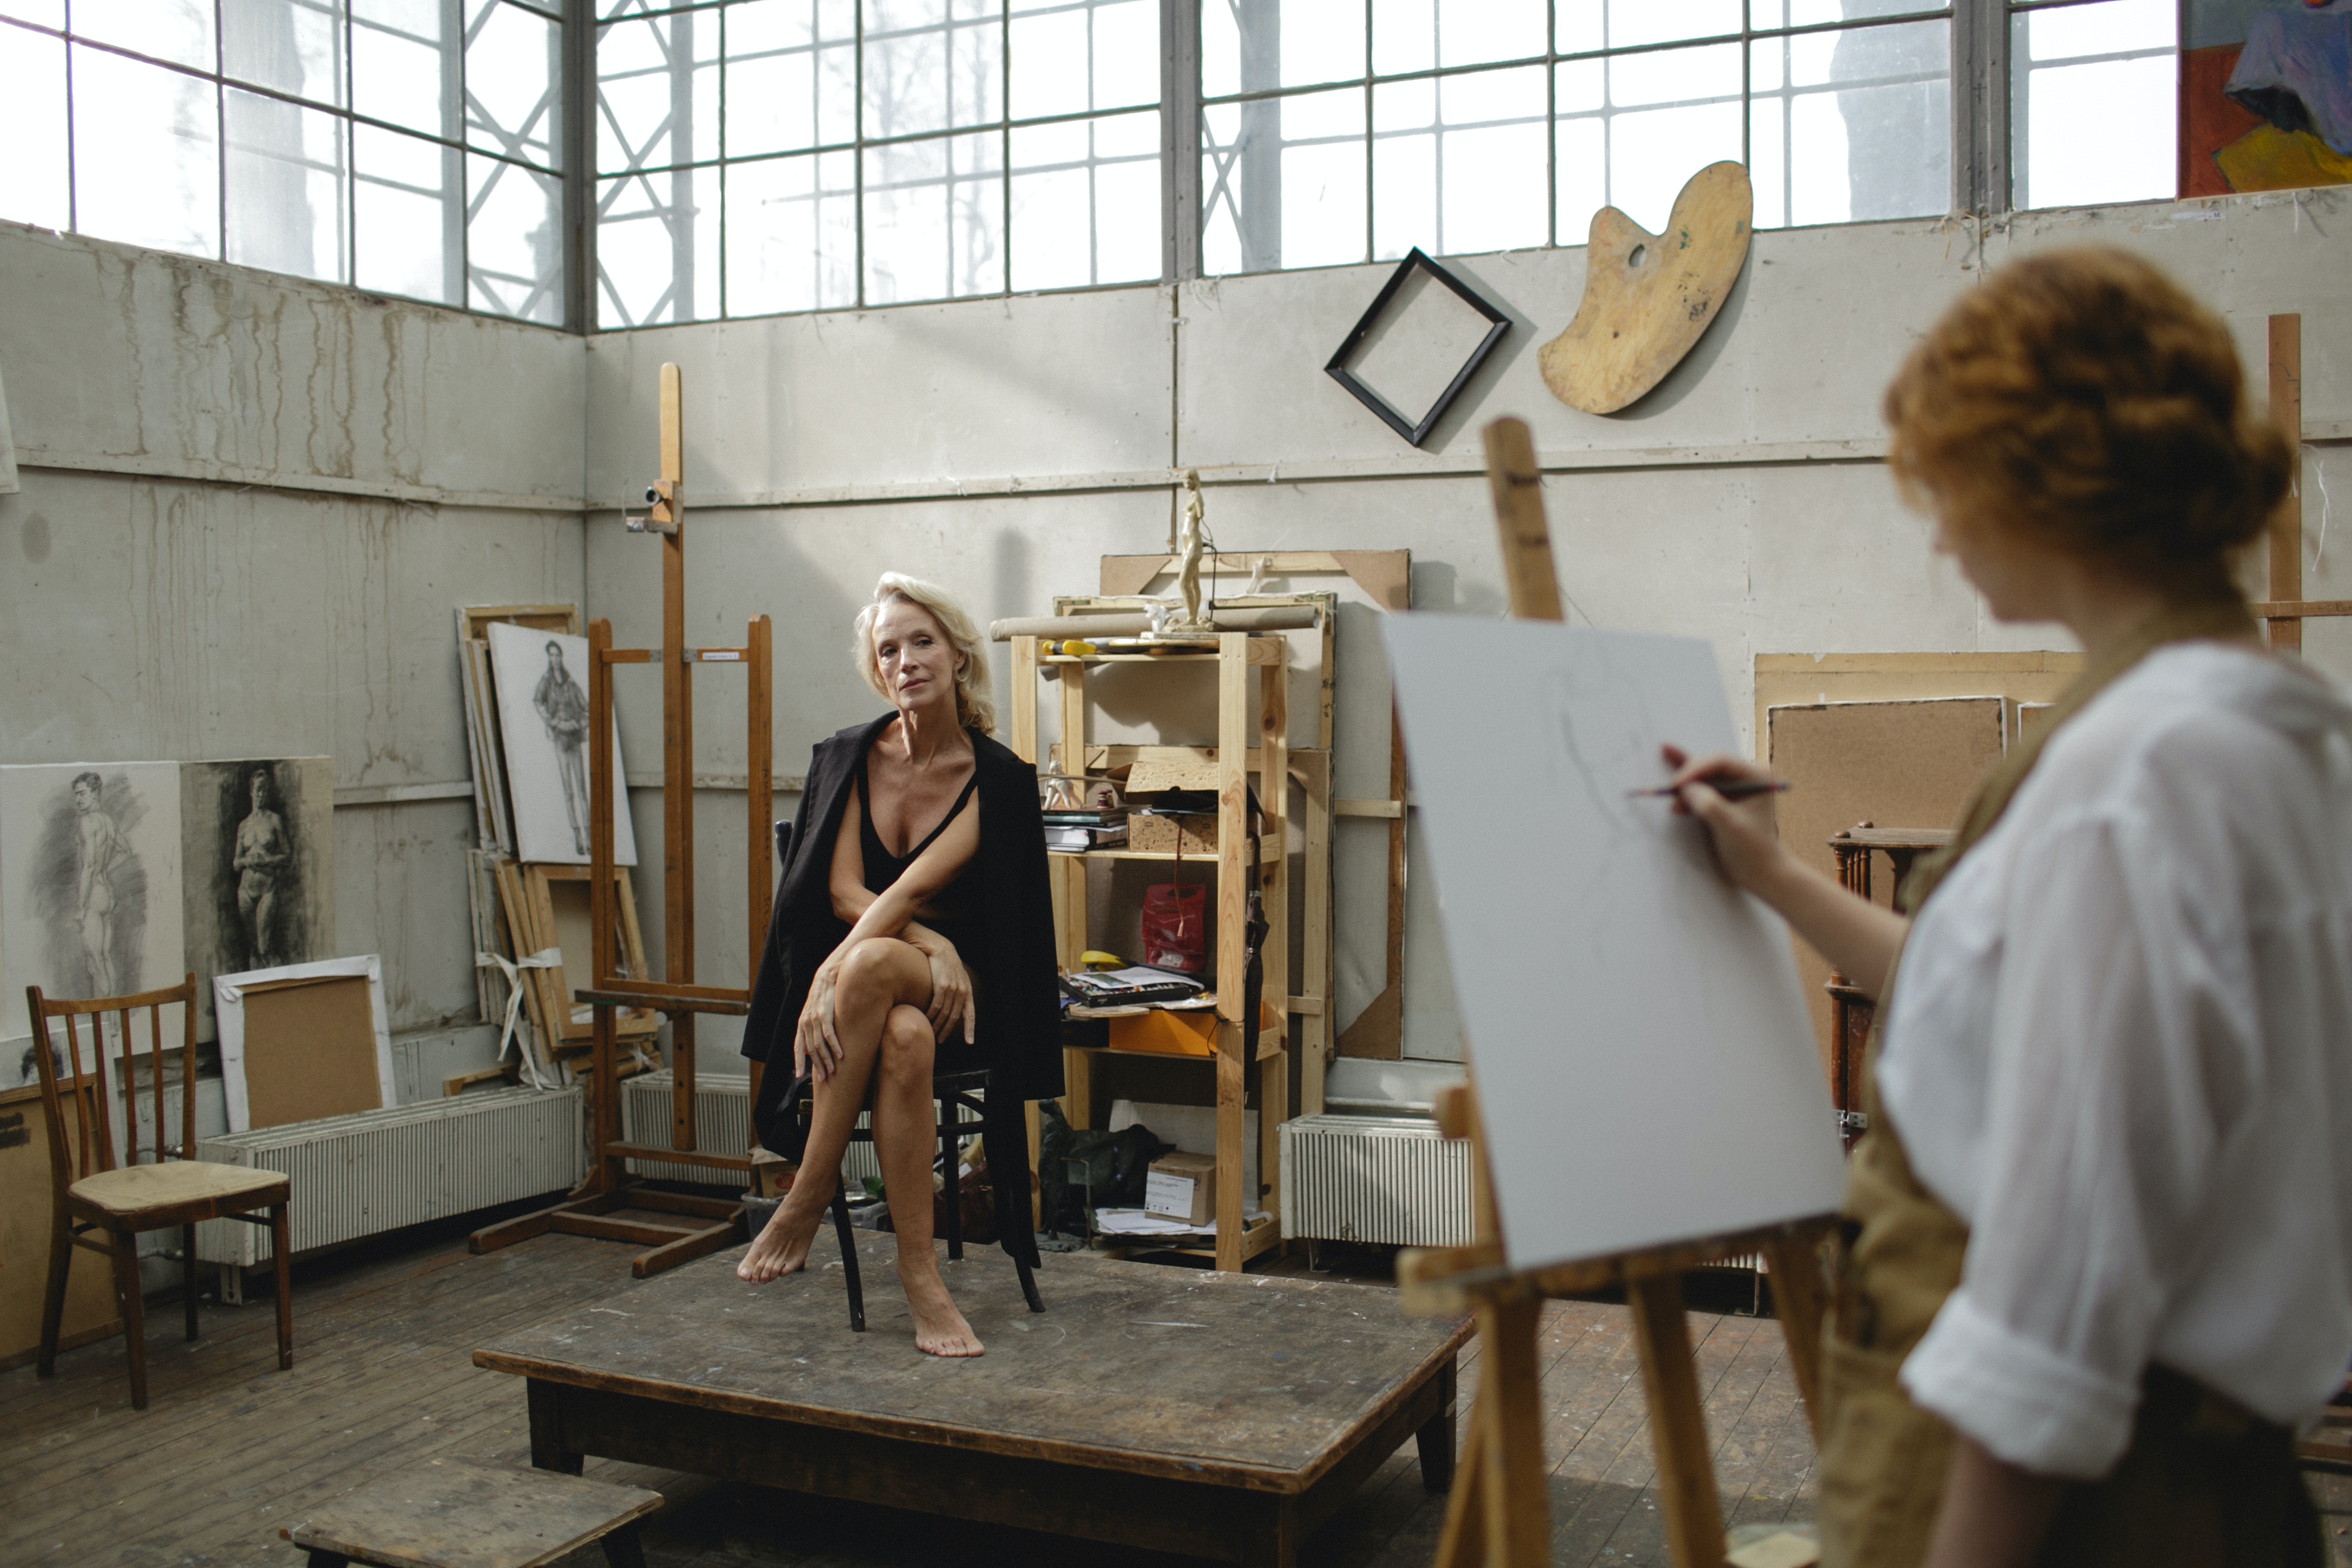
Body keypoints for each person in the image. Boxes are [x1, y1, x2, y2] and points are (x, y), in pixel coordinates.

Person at [1663, 248, 2352, 1567]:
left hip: (2075, 1503)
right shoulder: (2260, 734)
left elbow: (2056, 1295)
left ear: (2028, 474)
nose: (1934, 527)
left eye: (1940, 483)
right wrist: (1771, 876)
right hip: (2196, 1477)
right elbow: (2009, 1013)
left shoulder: (2131, 778)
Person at [737, 572, 1059, 1357]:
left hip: (973, 994)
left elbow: (912, 883)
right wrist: (927, 944)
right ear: (877, 669)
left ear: (957, 655)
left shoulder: (998, 778)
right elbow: (845, 887)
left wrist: (830, 975)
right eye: (890, 648)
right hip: (896, 984)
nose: (907, 659)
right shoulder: (853, 756)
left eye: (923, 641)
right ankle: (919, 1274)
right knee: (904, 1036)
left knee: (875, 964)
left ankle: (808, 1189)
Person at [533, 640, 592, 855]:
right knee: (568, 791)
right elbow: (537, 701)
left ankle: (589, 835)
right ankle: (578, 837)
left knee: (581, 789)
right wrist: (552, 722)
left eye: (558, 655)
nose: (555, 659)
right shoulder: (546, 681)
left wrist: (581, 723)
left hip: (574, 738)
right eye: (551, 655)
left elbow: (587, 708)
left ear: (562, 657)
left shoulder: (570, 682)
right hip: (560, 739)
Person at [70, 771, 123, 996]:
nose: (78, 800)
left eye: (82, 794)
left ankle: (104, 1019)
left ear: (95, 793)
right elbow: (125, 851)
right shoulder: (108, 821)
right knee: (105, 959)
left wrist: (81, 907)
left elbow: (89, 866)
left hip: (93, 896)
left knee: (95, 964)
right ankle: (113, 1023)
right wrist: (106, 869)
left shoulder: (87, 822)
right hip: (107, 893)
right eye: (76, 795)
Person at [232, 767, 292, 968]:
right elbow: (236, 862)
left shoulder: (274, 820)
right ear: (251, 791)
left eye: (265, 790)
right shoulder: (244, 826)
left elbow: (287, 856)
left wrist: (265, 861)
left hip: (267, 888)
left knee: (265, 948)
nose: (261, 795)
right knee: (253, 951)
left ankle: (284, 991)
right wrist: (249, 862)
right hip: (246, 891)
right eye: (258, 790)